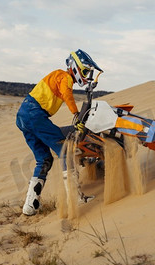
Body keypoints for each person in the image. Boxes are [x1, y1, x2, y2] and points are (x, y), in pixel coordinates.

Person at [16, 49, 103, 216]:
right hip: (35, 114)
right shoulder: (65, 77)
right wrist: (76, 115)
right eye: (85, 71)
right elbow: (67, 94)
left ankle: (29, 206)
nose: (86, 76)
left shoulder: (58, 76)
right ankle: (75, 197)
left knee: (44, 159)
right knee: (65, 151)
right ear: (75, 67)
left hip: (24, 116)